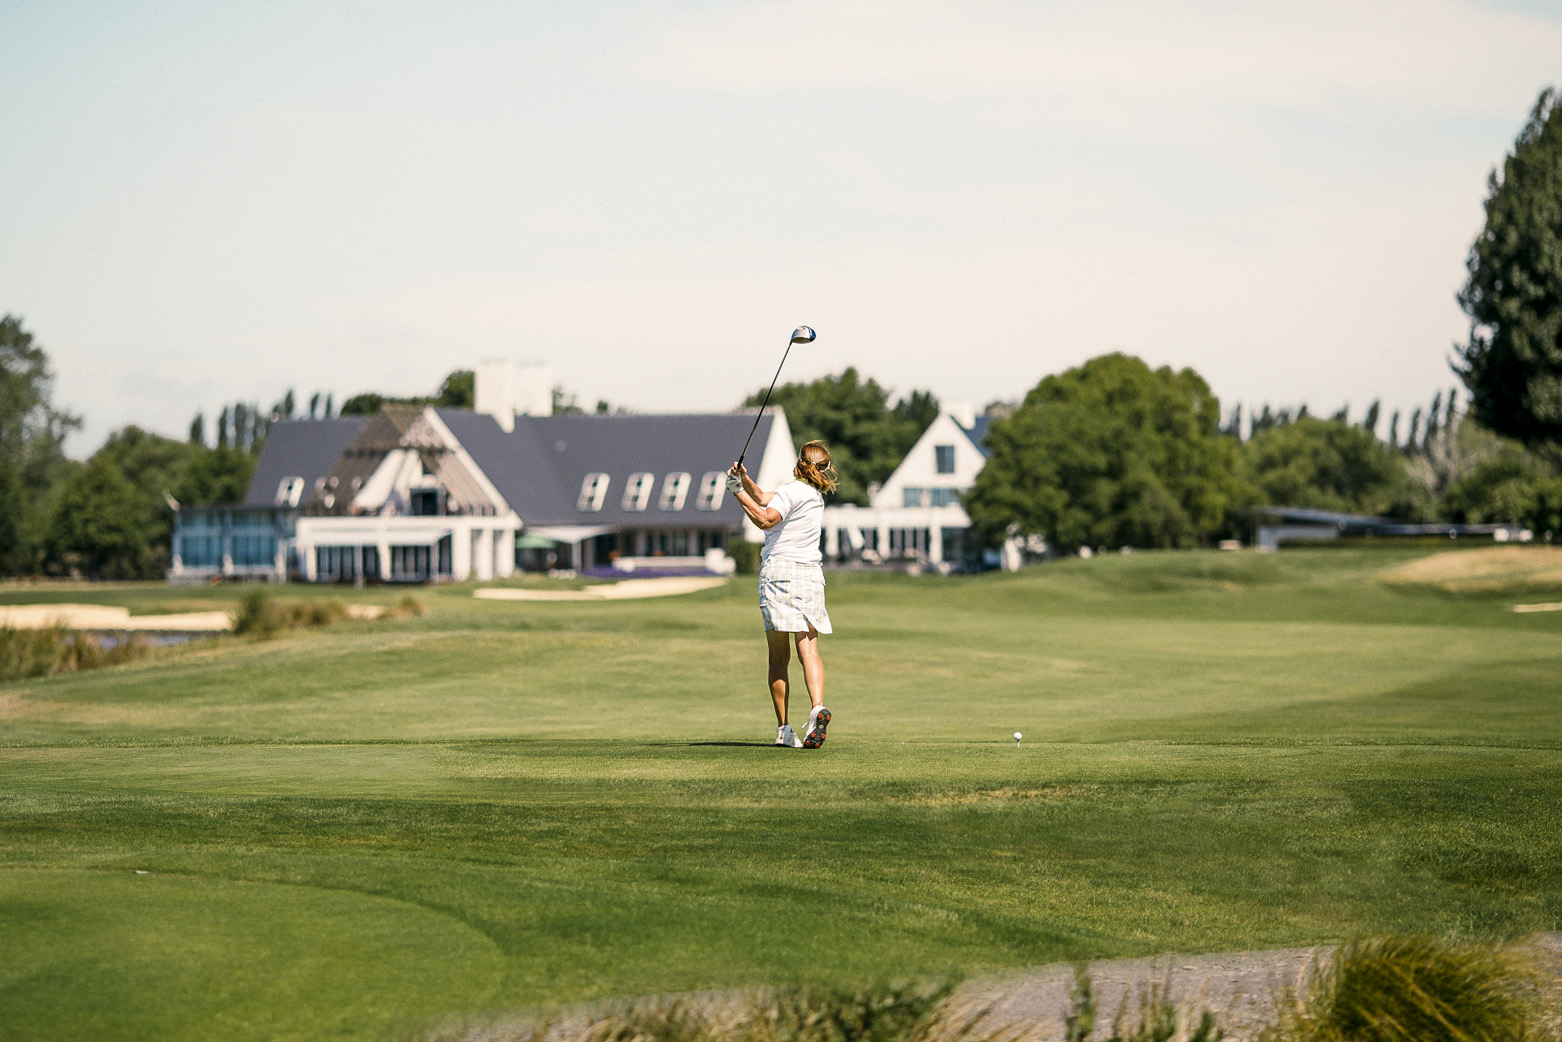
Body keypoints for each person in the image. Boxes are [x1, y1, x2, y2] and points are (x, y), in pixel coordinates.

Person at [728, 441, 836, 749]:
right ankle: (817, 707)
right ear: (825, 469)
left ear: (799, 463)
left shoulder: (791, 491)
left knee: (778, 658)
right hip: (811, 575)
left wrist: (735, 491)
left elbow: (765, 518)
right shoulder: (813, 496)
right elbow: (763, 497)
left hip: (779, 573)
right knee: (809, 651)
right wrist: (745, 480)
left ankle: (784, 730)